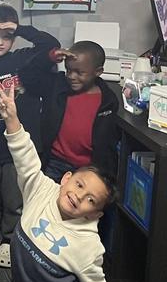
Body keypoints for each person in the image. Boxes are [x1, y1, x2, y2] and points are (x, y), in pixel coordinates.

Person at [0, 84, 150, 282]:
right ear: (66, 178)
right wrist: (12, 119)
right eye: (79, 186)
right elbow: (24, 156)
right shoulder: (41, 190)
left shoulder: (86, 245)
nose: (80, 197)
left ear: (95, 214)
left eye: (92, 200)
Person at [0, 2, 59, 268]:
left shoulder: (21, 60)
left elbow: (50, 44)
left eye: (7, 36)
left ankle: (9, 239)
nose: (0, 42)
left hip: (17, 147)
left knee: (14, 198)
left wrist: (20, 28)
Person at [20, 40, 119, 181]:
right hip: (55, 163)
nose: (71, 76)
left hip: (88, 168)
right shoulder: (57, 85)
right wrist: (49, 57)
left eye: (79, 72)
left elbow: (108, 143)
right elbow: (27, 75)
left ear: (98, 72)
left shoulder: (108, 101)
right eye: (68, 70)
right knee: (48, 200)